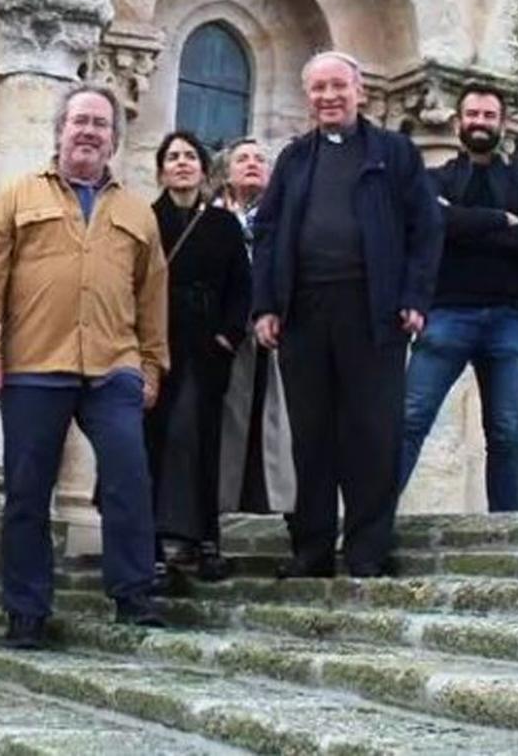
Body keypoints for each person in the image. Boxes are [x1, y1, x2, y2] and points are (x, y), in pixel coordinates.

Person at [0, 83, 168, 648]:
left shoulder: (136, 212)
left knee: (129, 475)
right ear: (59, 131)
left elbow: (152, 295)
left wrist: (151, 365)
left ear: (114, 140)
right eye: (79, 121)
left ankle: (133, 591)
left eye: (100, 124)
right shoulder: (15, 196)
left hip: (114, 365)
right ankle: (27, 610)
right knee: (28, 490)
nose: (88, 131)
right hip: (34, 363)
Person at [252, 51, 442, 578]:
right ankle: (311, 550)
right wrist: (266, 304)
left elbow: (426, 229)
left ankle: (366, 550)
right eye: (318, 89)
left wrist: (415, 298)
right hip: (304, 313)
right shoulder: (293, 159)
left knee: (373, 433)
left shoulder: (395, 153)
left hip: (373, 311)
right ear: (308, 97)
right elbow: (267, 234)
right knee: (310, 434)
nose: (329, 97)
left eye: (338, 86)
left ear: (360, 91)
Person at [400, 85, 518, 512]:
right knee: (410, 420)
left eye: (489, 115)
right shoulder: (436, 179)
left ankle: (508, 527)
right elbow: (433, 222)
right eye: (473, 114)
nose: (480, 122)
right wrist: (501, 220)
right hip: (447, 312)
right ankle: (370, 523)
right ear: (458, 121)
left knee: (507, 431)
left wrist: (462, 226)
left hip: (507, 317)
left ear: (502, 124)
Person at [147, 131, 250, 581]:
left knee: (201, 438)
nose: (182, 163)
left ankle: (204, 537)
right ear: (161, 169)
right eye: (173, 157)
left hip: (207, 347)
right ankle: (154, 541)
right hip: (157, 341)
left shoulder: (224, 224)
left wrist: (228, 335)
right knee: (156, 439)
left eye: (191, 156)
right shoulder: (145, 220)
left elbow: (241, 284)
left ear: (204, 171)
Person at [216, 138, 296, 517]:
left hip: (274, 328)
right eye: (242, 158)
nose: (252, 164)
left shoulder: (286, 217)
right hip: (223, 331)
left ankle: (272, 505)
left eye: (261, 159)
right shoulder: (211, 218)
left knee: (272, 418)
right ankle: (220, 501)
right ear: (226, 172)